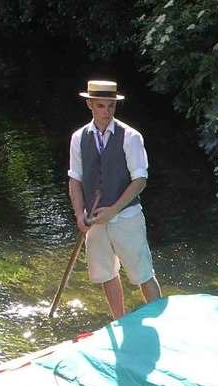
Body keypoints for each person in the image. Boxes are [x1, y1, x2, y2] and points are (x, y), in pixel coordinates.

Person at [68, 79, 162, 319]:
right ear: (89, 104)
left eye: (111, 106)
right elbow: (75, 181)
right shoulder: (78, 138)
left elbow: (140, 180)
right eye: (100, 106)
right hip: (94, 222)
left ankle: (162, 325)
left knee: (142, 274)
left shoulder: (131, 137)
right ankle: (119, 322)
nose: (106, 112)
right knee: (106, 274)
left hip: (127, 217)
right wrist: (80, 214)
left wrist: (114, 210)